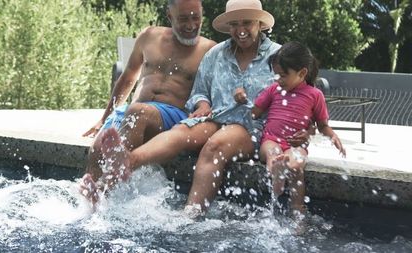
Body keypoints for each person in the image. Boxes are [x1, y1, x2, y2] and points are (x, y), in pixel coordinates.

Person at [94, 0, 307, 216]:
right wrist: (202, 103)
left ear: (260, 24)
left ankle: (191, 213)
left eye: (247, 23)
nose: (240, 30)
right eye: (234, 24)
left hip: (252, 125)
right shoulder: (217, 54)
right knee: (180, 131)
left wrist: (301, 129)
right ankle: (122, 167)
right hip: (215, 118)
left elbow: (301, 94)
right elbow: (199, 91)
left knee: (215, 144)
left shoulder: (279, 56)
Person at [80, 0, 216, 196]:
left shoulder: (209, 49)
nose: (191, 25)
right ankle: (91, 199)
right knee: (98, 145)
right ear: (170, 16)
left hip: (172, 116)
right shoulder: (149, 36)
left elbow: (214, 91)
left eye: (196, 18)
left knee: (138, 111)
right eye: (184, 18)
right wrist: (104, 118)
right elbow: (128, 77)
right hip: (133, 112)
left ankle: (107, 186)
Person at [246, 41, 346, 217]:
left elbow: (322, 125)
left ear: (302, 73)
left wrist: (333, 136)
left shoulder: (315, 95)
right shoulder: (273, 90)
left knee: (296, 165)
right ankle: (277, 172)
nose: (278, 79)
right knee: (273, 151)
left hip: (296, 146)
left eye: (283, 75)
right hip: (271, 139)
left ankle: (297, 211)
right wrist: (243, 99)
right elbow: (255, 113)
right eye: (276, 75)